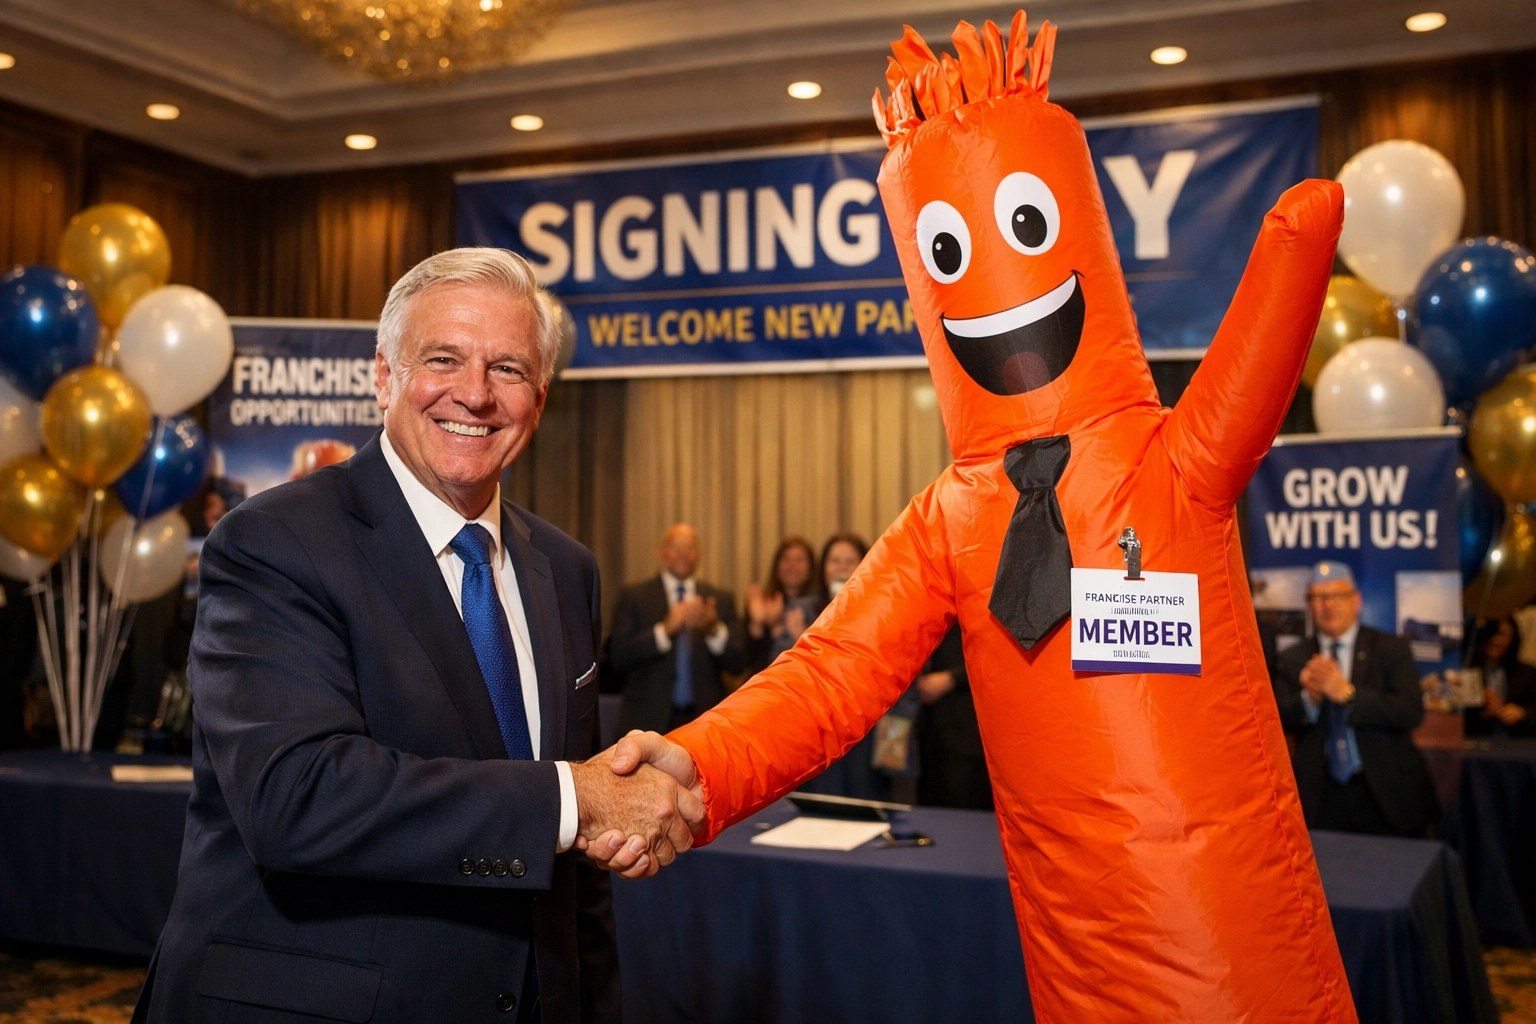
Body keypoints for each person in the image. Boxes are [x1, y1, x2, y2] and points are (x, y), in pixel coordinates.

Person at [133, 248, 698, 1024]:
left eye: (507, 368)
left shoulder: (566, 570)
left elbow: (572, 871)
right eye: (444, 359)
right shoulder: (271, 542)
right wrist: (578, 797)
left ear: (538, 399)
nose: (475, 394)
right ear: (384, 377)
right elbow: (297, 797)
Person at [1272, 561, 1439, 836]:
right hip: (1320, 796)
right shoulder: (1294, 658)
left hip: (1386, 793)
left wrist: (1348, 694)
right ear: (1310, 605)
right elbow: (1273, 719)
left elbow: (1411, 712)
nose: (1329, 605)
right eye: (1319, 597)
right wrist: (1309, 698)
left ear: (1356, 600)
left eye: (1337, 596)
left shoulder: (1390, 648)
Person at [606, 524, 745, 734]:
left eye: (690, 547)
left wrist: (713, 630)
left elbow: (738, 663)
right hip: (646, 721)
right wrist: (664, 630)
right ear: (662, 552)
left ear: (698, 555)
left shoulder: (718, 599)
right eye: (676, 545)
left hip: (704, 721)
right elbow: (617, 656)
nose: (683, 552)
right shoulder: (634, 596)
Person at [915, 625, 991, 810]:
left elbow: (1002, 656)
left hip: (968, 726)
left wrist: (952, 678)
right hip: (926, 725)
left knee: (963, 799)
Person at [743, 537, 821, 674]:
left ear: (811, 567)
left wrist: (799, 635)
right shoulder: (761, 602)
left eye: (799, 560)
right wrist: (758, 626)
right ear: (777, 566)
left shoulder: (821, 605)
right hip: (765, 685)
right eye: (786, 559)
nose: (792, 565)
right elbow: (743, 662)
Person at [1465, 617, 1536, 737]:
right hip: (1477, 740)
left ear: (1513, 638)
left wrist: (1521, 713)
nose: (1495, 640)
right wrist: (1477, 703)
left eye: (1502, 635)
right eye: (1490, 634)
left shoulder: (1527, 673)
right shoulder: (1467, 668)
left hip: (1518, 743)